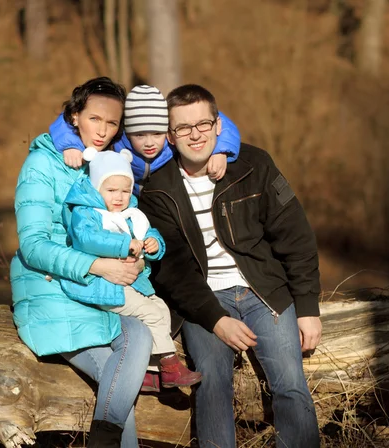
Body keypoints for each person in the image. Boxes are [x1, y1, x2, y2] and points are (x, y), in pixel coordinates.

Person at [138, 84, 322, 448]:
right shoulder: (158, 190)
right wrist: (215, 319)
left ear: (219, 125)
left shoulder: (255, 166)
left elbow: (295, 236)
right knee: (211, 384)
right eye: (183, 128)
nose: (195, 135)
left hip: (264, 291)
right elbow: (172, 269)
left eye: (203, 124)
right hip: (203, 300)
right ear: (170, 137)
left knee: (289, 382)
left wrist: (307, 306)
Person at [10, 76, 153, 448]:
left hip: (88, 292)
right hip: (48, 289)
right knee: (116, 376)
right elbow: (34, 246)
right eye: (95, 120)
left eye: (112, 123)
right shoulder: (43, 164)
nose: (103, 131)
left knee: (139, 333)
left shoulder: (105, 167)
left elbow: (122, 227)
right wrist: (98, 267)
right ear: (74, 116)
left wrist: (136, 263)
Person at [60, 147, 202, 389]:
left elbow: (147, 233)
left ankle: (149, 372)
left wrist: (154, 244)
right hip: (98, 285)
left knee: (161, 310)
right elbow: (87, 239)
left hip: (129, 283)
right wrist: (125, 244)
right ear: (96, 188)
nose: (119, 197)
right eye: (111, 190)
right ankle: (170, 367)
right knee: (150, 313)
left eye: (125, 191)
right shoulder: (87, 214)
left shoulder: (131, 215)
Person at [48, 84, 242, 194]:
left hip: (161, 200)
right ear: (127, 131)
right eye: (139, 135)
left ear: (167, 132)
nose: (149, 143)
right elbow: (65, 120)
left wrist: (221, 150)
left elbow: (217, 120)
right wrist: (71, 145)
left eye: (157, 134)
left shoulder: (172, 141)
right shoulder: (116, 140)